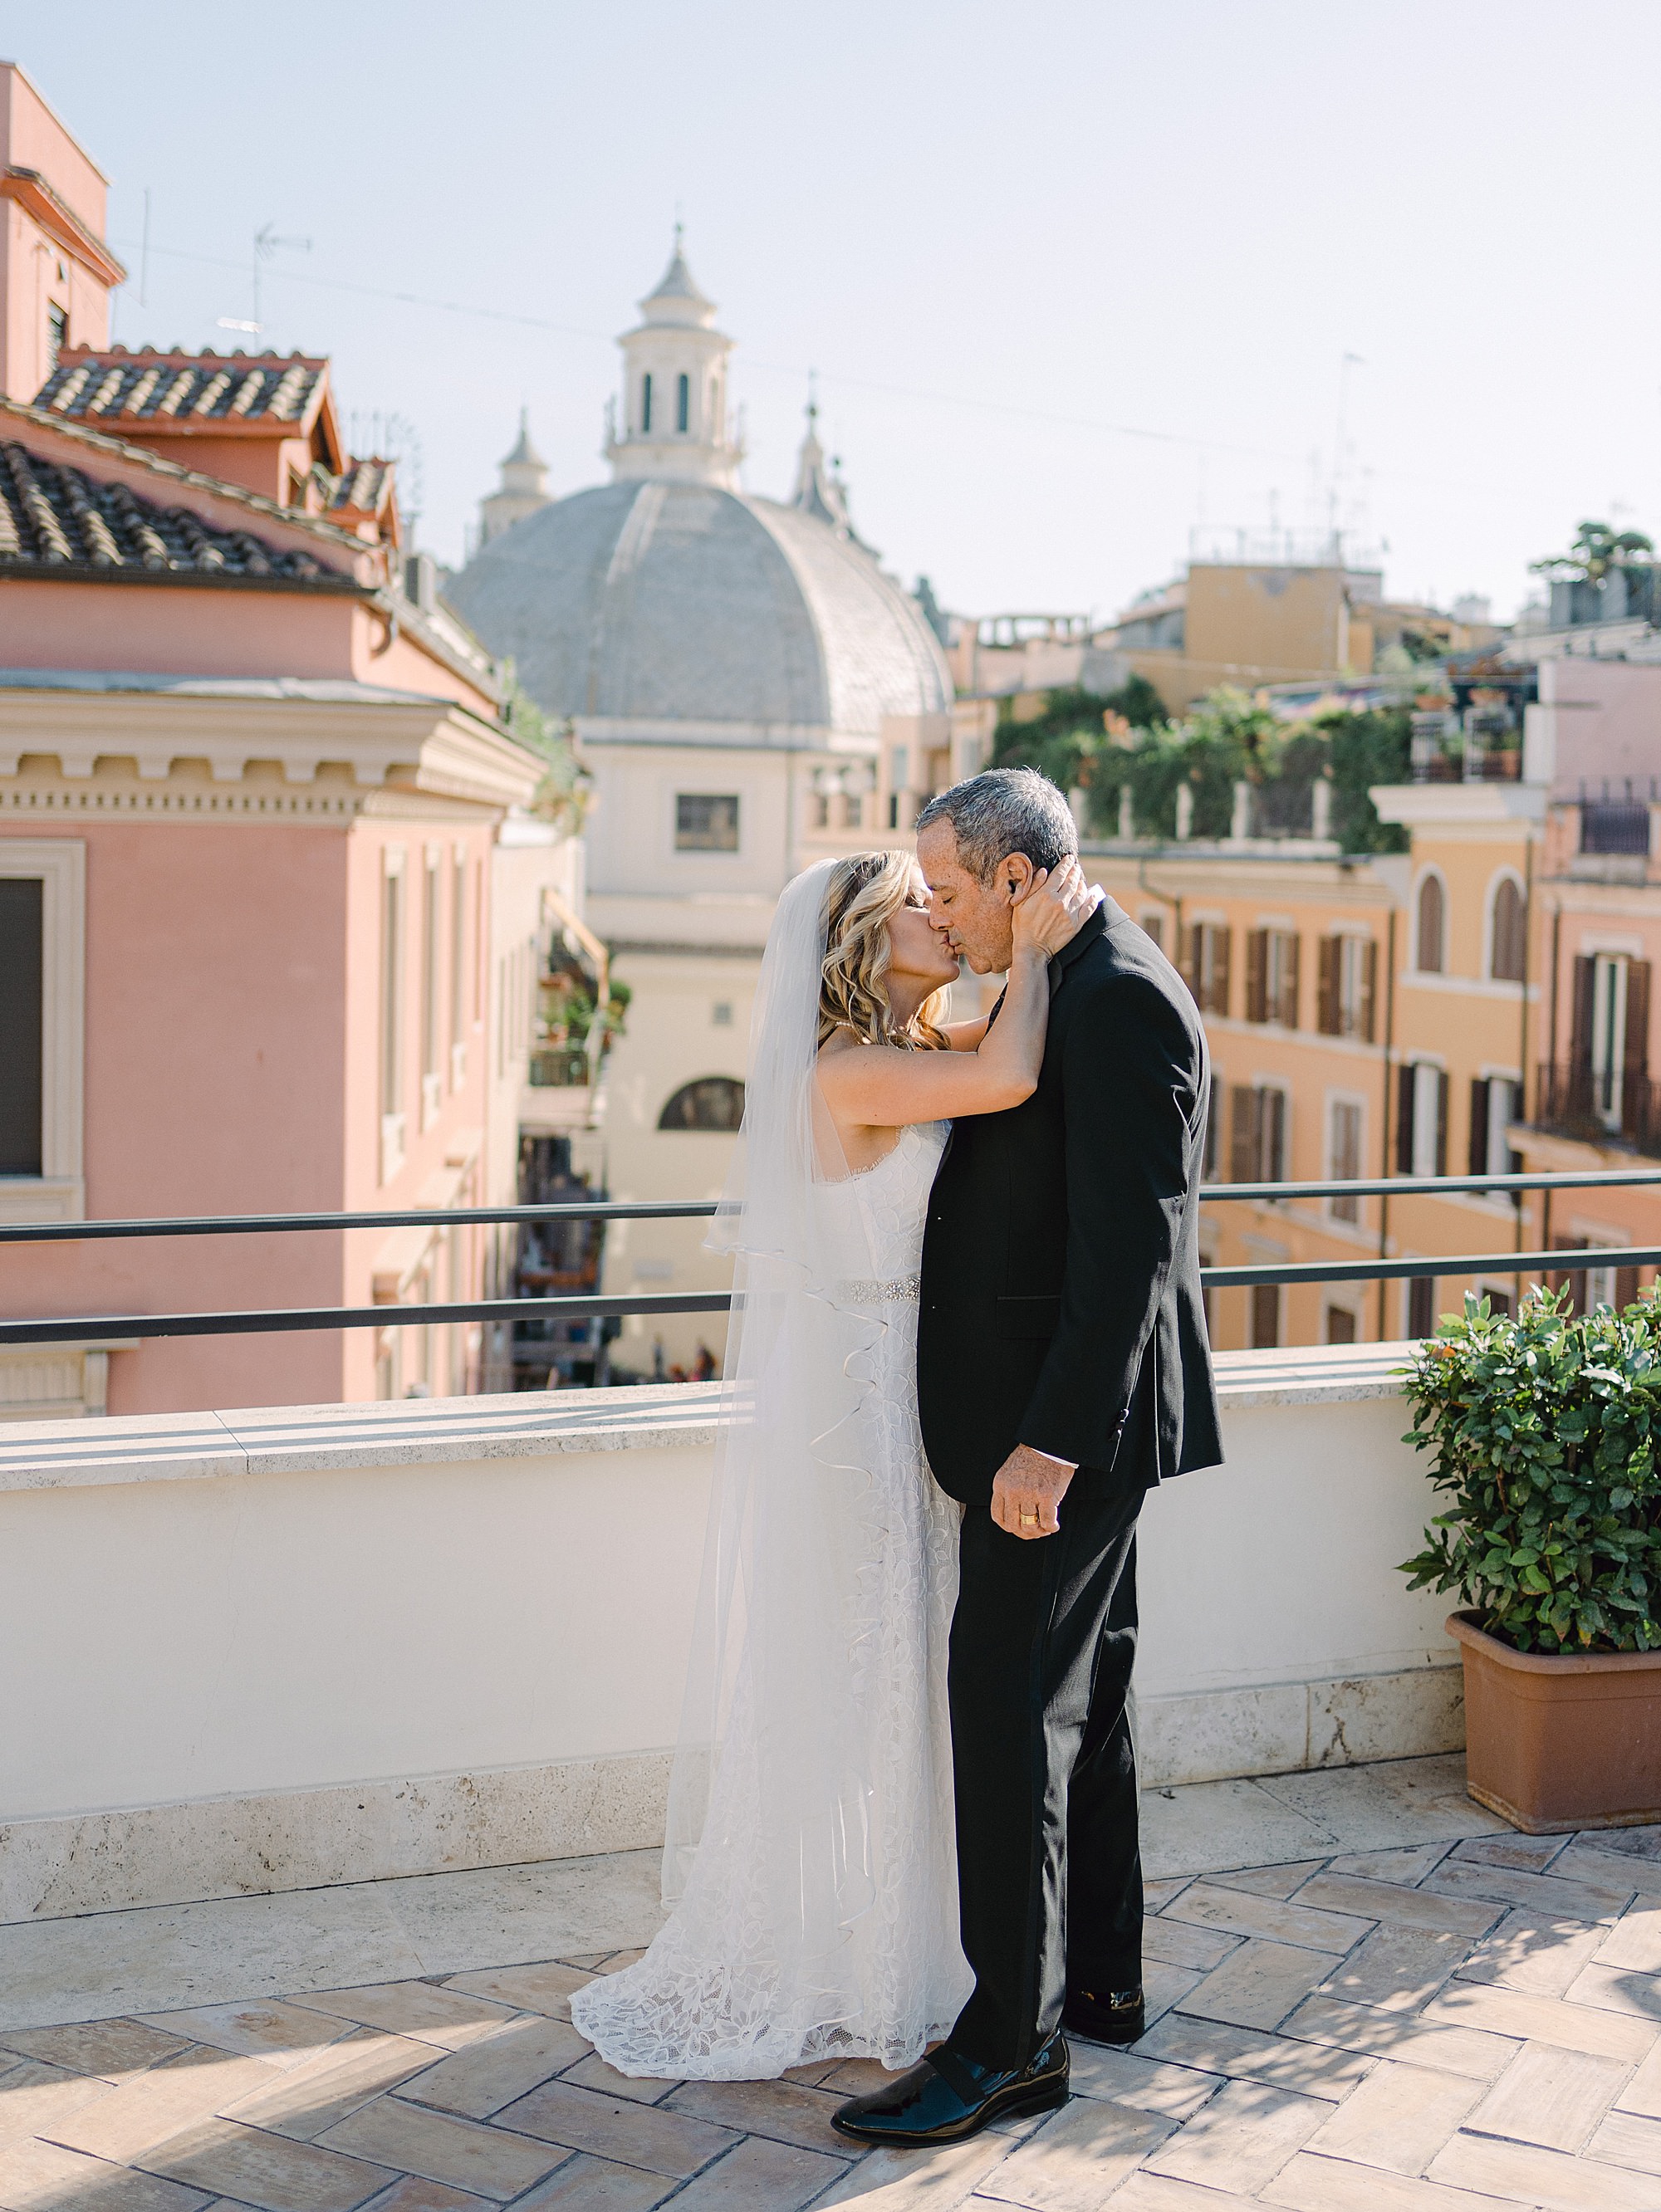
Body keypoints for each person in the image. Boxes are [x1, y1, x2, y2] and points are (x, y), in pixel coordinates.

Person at [571, 844, 1091, 2078]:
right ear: (859, 940)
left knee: (911, 1677)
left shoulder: (906, 1052)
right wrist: (1045, 940)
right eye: (920, 905)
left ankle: (907, 1948)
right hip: (863, 1415)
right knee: (876, 1678)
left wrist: (1004, 956)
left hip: (902, 1390)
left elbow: (986, 1055)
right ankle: (849, 1965)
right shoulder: (849, 1070)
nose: (941, 915)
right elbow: (1014, 1068)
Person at [831, 768, 1223, 2148]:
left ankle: (1008, 2046)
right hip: (1062, 1418)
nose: (933, 908)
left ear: (1015, 879)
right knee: (1087, 1696)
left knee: (1001, 1699)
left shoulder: (1119, 999)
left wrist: (1050, 1445)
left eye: (945, 889)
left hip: (1063, 1430)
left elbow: (1133, 1252)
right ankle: (1101, 1984)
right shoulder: (1060, 978)